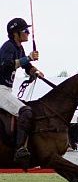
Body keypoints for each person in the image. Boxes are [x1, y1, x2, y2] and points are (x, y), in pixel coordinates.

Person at [0, 18, 44, 165]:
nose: (28, 33)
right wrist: (28, 58)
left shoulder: (19, 48)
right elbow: (6, 65)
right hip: (0, 90)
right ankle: (20, 149)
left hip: (6, 90)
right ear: (16, 33)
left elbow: (26, 66)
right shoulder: (8, 47)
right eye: (25, 31)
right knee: (25, 111)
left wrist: (34, 71)